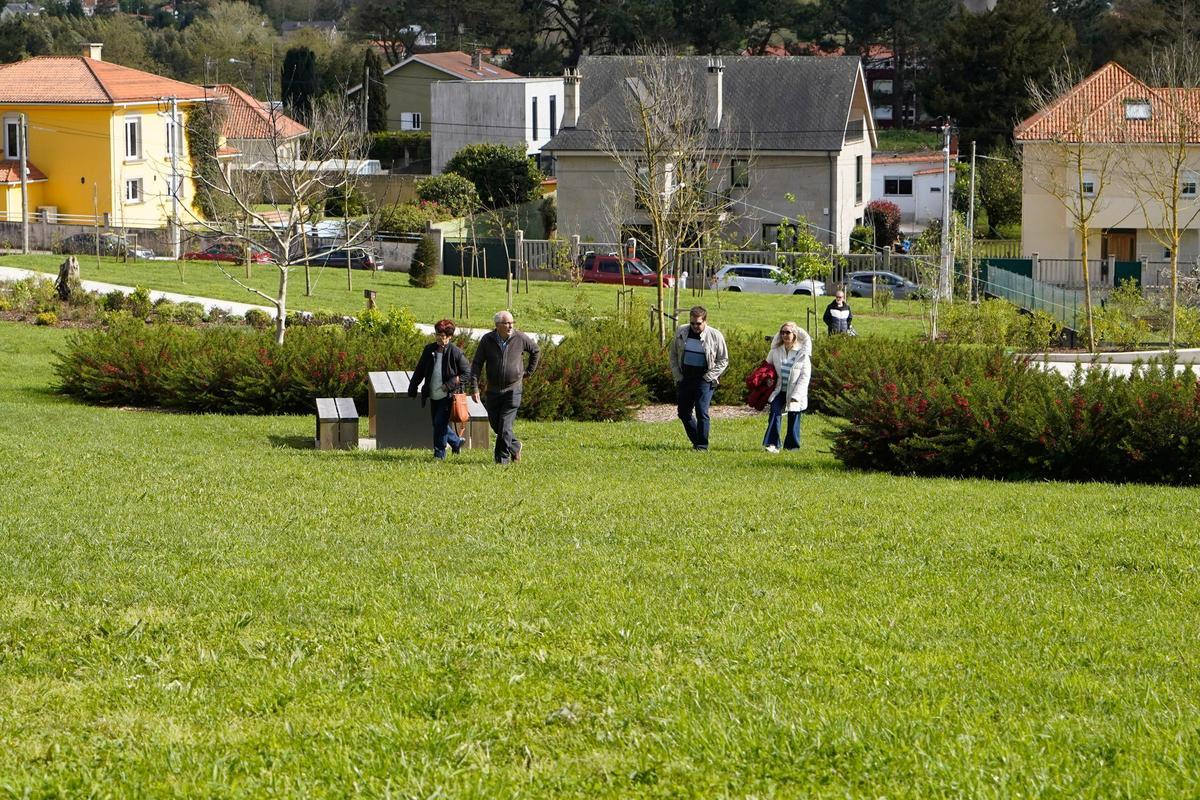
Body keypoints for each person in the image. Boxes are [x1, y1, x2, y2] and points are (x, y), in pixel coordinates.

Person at [470, 310, 540, 464]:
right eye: (507, 323)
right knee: (496, 424)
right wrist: (474, 388)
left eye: (512, 323)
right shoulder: (487, 340)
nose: (510, 326)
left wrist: (528, 372)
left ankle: (502, 460)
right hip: (493, 390)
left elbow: (535, 351)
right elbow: (476, 364)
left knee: (505, 424)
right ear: (497, 325)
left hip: (513, 389)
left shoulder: (520, 338)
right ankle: (515, 446)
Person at [407, 319, 470, 460]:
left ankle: (439, 454)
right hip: (432, 394)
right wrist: (413, 386)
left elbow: (467, 373)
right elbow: (420, 370)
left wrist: (451, 383)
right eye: (438, 335)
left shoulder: (456, 353)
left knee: (439, 423)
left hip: (448, 395)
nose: (440, 339)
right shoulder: (429, 349)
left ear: (450, 337)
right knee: (437, 423)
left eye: (444, 336)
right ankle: (456, 442)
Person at [669, 305, 729, 451]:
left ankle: (702, 446)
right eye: (692, 323)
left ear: (705, 321)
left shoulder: (715, 335)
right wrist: (678, 375)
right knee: (683, 412)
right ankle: (697, 440)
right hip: (686, 377)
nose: (695, 326)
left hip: (705, 379)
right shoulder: (681, 332)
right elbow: (673, 355)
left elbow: (723, 360)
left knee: (702, 412)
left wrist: (709, 377)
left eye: (698, 323)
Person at [762, 321, 812, 453]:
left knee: (794, 415)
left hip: (795, 391)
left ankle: (792, 446)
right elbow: (766, 368)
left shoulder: (802, 353)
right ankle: (772, 444)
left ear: (795, 335)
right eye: (782, 332)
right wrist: (767, 380)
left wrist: (796, 395)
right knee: (774, 413)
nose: (785, 335)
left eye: (788, 332)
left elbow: (805, 377)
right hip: (779, 390)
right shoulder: (775, 351)